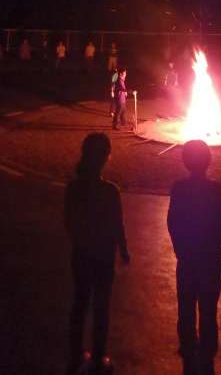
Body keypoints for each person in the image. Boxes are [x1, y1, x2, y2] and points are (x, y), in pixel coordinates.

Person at [64, 133, 130, 375]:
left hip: (82, 255)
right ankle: (99, 357)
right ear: (106, 157)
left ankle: (75, 354)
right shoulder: (110, 191)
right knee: (101, 307)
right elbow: (117, 225)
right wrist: (123, 250)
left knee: (80, 304)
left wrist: (81, 241)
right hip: (103, 258)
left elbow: (69, 222)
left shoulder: (73, 188)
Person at [167, 140, 221, 375]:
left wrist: (179, 247)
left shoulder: (179, 188)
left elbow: (172, 220)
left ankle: (187, 343)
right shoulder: (216, 189)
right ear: (208, 160)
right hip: (210, 257)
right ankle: (207, 345)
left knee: (186, 303)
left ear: (185, 161)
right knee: (208, 305)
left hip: (188, 257)